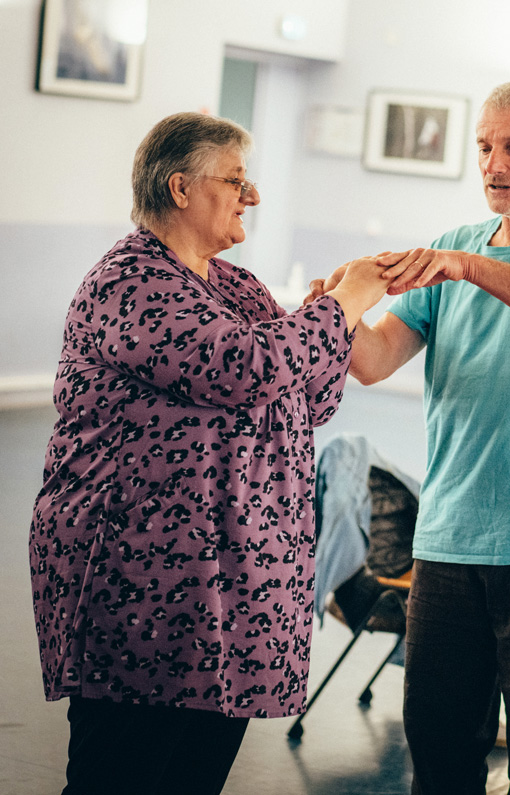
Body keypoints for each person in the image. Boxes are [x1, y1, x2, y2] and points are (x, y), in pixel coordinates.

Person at [27, 112, 393, 795]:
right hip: (143, 591)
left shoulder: (236, 286)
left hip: (231, 596)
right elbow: (244, 367)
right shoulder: (129, 282)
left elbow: (306, 399)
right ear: (181, 188)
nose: (251, 196)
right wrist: (340, 306)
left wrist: (337, 319)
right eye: (236, 181)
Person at [312, 81, 510, 794]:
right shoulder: (452, 248)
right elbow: (374, 361)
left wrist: (470, 267)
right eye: (485, 147)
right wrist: (337, 313)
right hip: (451, 540)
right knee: (439, 758)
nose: (494, 163)